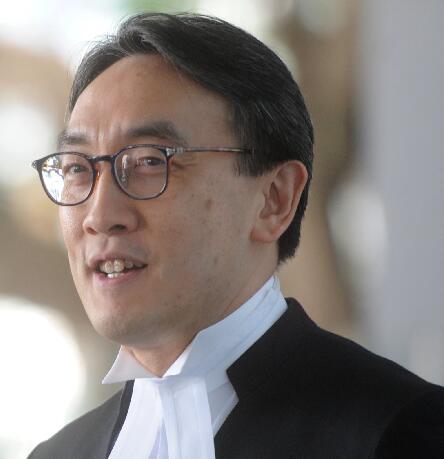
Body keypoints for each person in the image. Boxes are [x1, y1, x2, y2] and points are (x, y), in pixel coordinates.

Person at [28, 12, 443, 459]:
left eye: (149, 161)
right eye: (77, 168)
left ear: (274, 199)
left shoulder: (399, 431)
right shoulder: (56, 455)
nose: (99, 214)